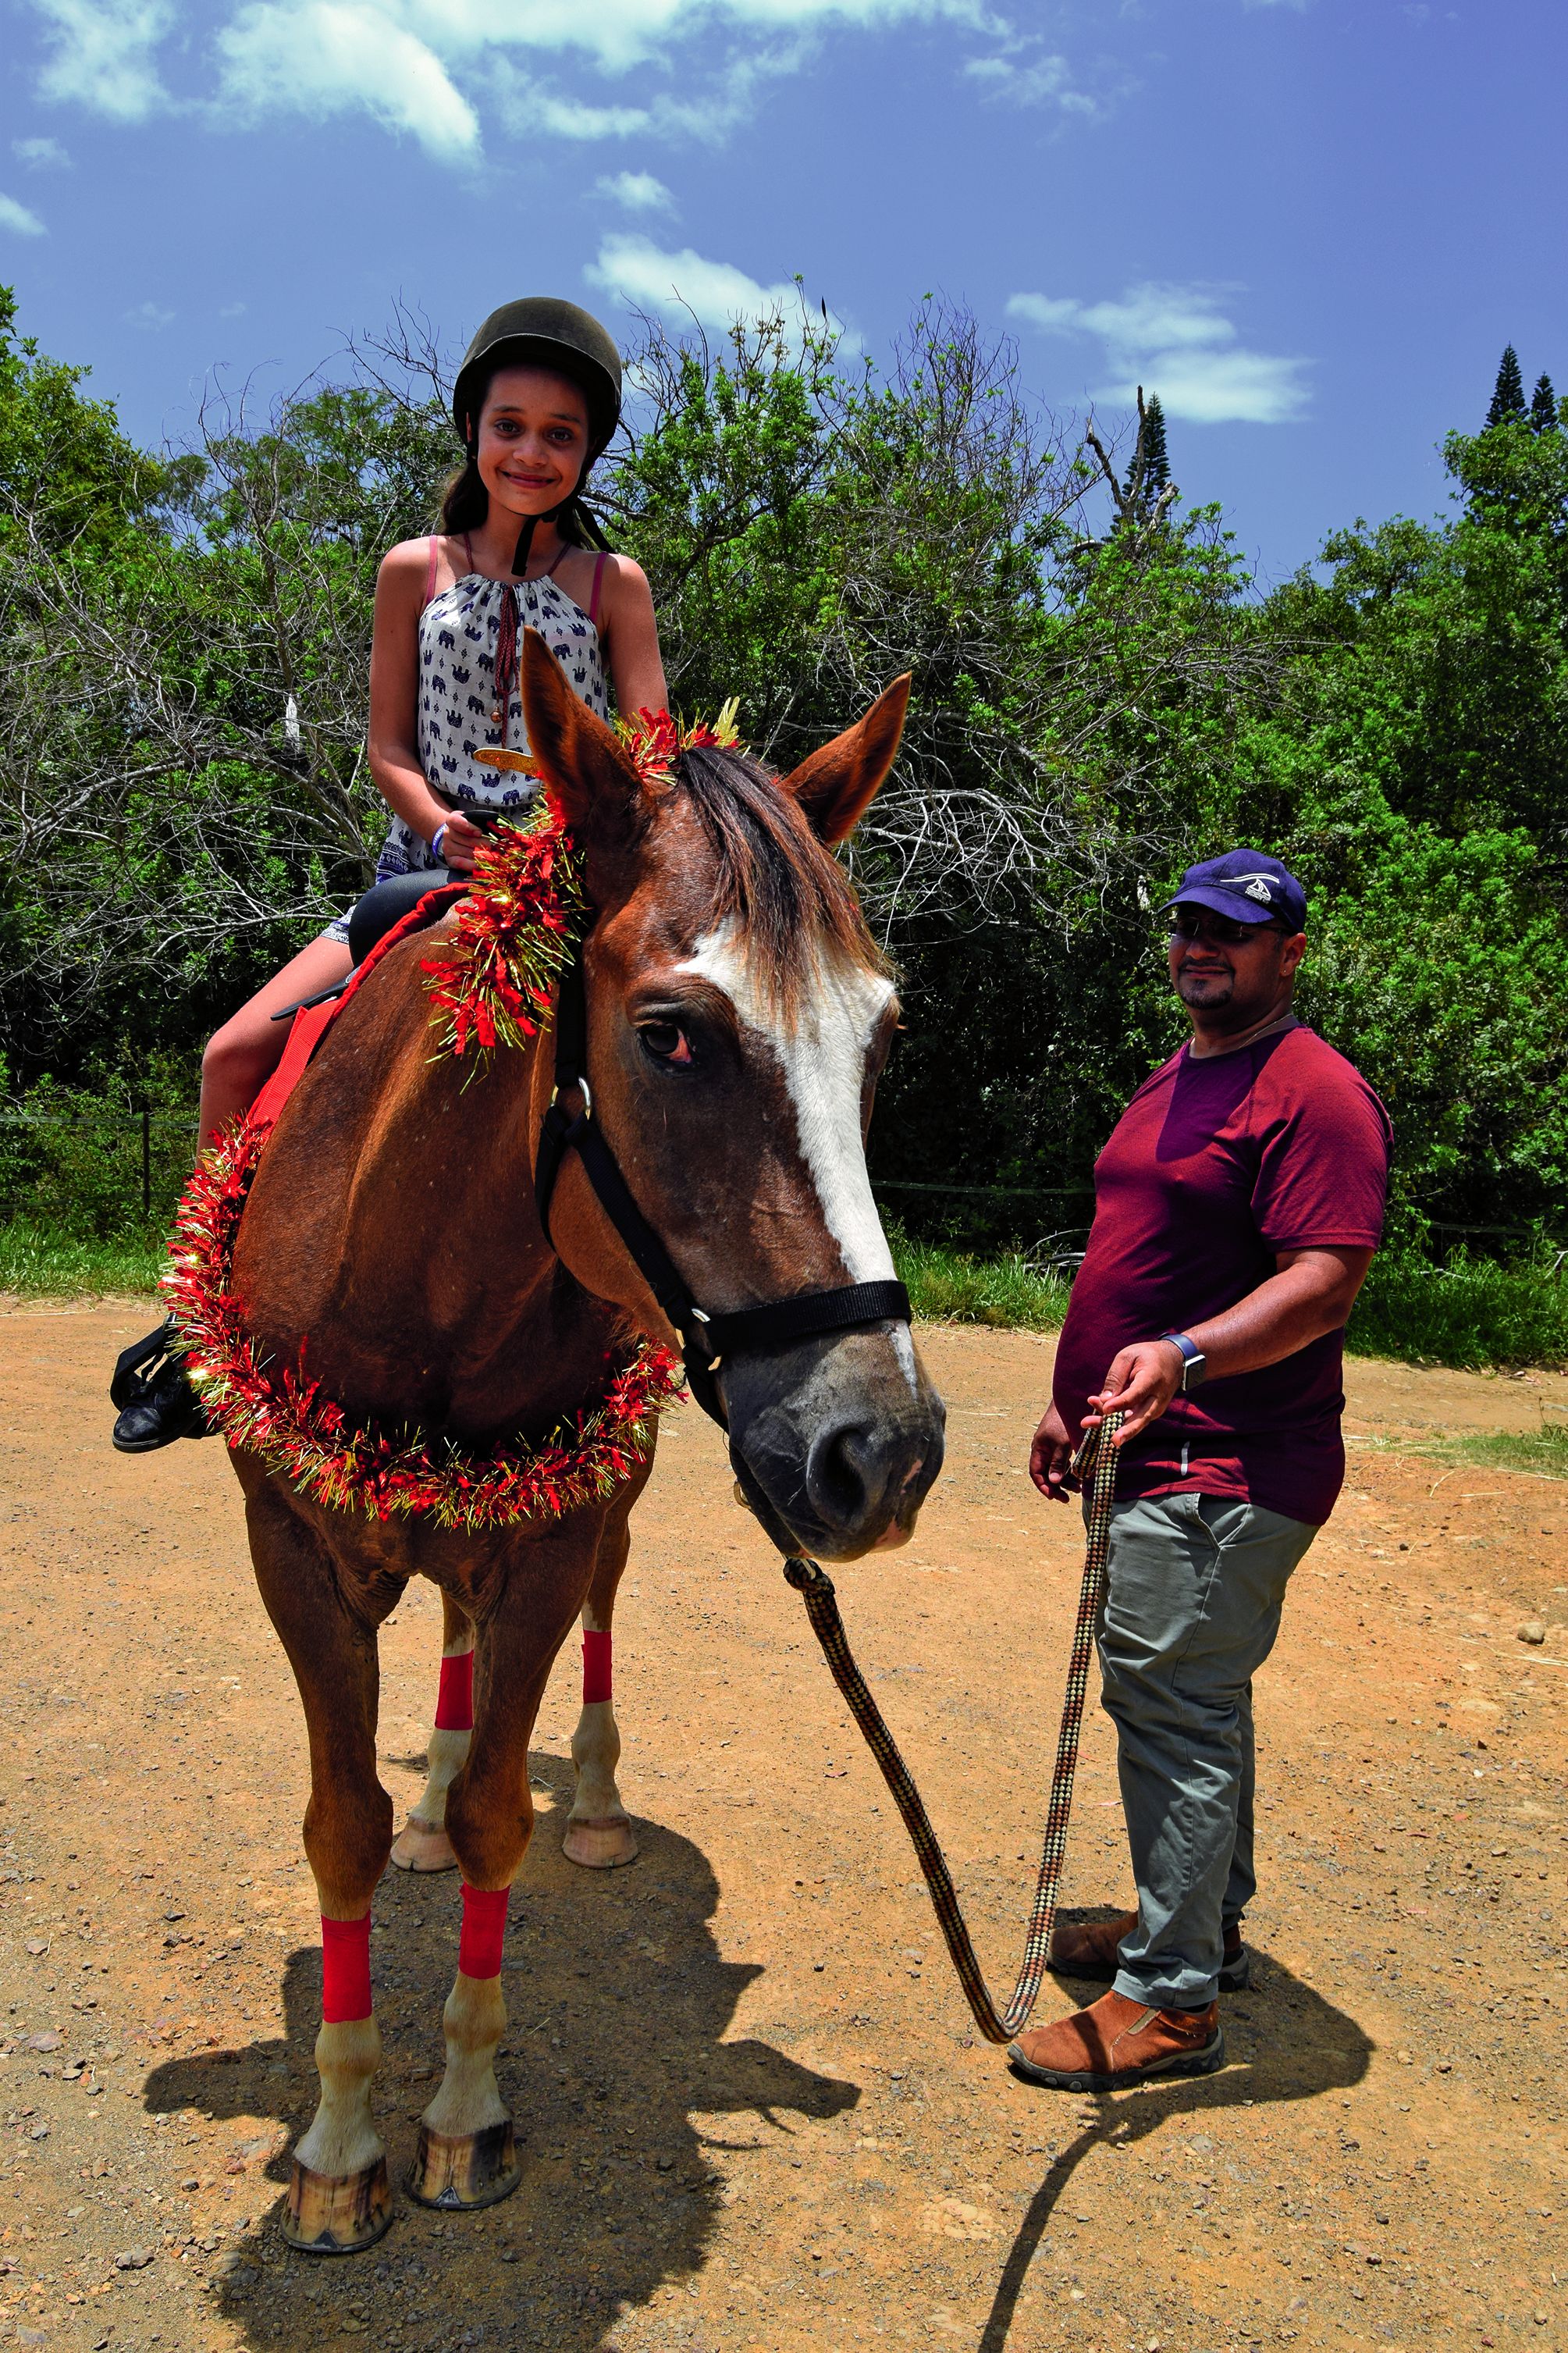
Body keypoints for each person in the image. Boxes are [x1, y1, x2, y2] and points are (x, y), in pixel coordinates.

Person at [111, 296, 667, 1453]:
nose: (530, 451)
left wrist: (577, 844)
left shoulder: (616, 583)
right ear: (472, 428)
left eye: (560, 433)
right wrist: (444, 826)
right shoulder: (414, 567)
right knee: (231, 1053)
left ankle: (669, 1333)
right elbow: (387, 748)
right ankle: (198, 1327)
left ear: (587, 451)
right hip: (423, 877)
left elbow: (648, 750)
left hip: (563, 891)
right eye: (509, 424)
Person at [1009, 848, 1391, 2093]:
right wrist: (1079, 1404)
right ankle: (1198, 1928)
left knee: (1173, 1708)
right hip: (1152, 1446)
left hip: (1230, 1461)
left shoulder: (1311, 1091)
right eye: (1186, 926)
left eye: (1230, 932)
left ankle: (1169, 1998)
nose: (1199, 948)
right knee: (1189, 1703)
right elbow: (1144, 1250)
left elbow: (1322, 1281)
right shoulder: (1184, 1072)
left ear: (1288, 953)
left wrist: (1181, 1355)